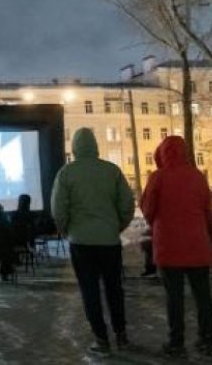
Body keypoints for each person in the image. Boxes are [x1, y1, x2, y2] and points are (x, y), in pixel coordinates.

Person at [51, 127, 134, 356]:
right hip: (109, 241)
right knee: (114, 289)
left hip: (81, 243)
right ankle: (122, 336)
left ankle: (101, 339)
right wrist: (116, 227)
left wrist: (67, 230)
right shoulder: (112, 170)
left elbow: (59, 209)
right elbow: (127, 205)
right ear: (95, 145)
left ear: (75, 147)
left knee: (90, 291)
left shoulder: (66, 173)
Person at [141, 136, 212, 357]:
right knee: (203, 296)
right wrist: (207, 236)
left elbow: (147, 210)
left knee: (174, 297)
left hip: (169, 246)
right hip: (197, 244)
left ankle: (176, 343)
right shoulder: (198, 176)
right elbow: (208, 212)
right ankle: (207, 340)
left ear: (161, 154)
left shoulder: (158, 177)